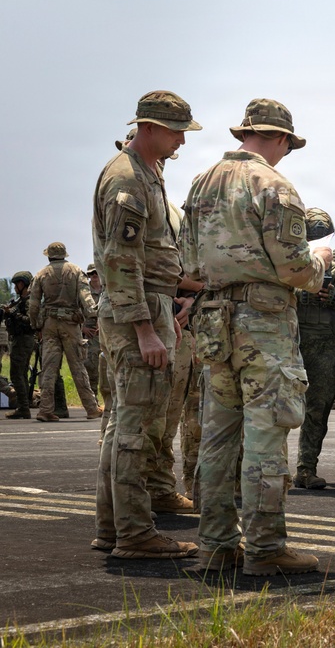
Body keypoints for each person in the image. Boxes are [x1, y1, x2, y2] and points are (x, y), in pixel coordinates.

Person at [180, 98, 335, 574]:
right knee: (268, 435)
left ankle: (216, 545)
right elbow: (294, 266)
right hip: (263, 322)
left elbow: (187, 265)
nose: (287, 152)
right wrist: (322, 264)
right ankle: (266, 549)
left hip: (213, 321)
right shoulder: (273, 185)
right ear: (279, 138)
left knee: (218, 438)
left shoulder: (201, 182)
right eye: (288, 144)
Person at [92, 90, 201, 559]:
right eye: (177, 131)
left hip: (152, 303)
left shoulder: (148, 174)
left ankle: (114, 526)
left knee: (122, 424)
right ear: (150, 128)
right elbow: (120, 260)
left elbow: (152, 253)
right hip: (135, 312)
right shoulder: (128, 180)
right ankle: (135, 534)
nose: (181, 141)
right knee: (134, 425)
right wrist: (145, 328)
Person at [293, 208, 335, 489]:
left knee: (317, 411)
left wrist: (333, 296)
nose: (318, 241)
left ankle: (305, 469)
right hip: (291, 344)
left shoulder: (334, 270)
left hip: (323, 348)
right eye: (313, 235)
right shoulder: (288, 265)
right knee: (274, 410)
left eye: (322, 236)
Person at [28, 243, 102, 422]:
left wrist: (35, 325)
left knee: (49, 369)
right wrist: (94, 314)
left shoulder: (40, 274)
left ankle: (45, 409)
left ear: (49, 256)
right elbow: (86, 298)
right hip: (70, 324)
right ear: (64, 255)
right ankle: (92, 408)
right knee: (78, 366)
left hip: (49, 325)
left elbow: (33, 304)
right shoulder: (76, 271)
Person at [4, 272, 35, 419]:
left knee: (17, 375)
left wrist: (14, 313)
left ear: (22, 284)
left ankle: (23, 407)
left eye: (16, 284)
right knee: (21, 374)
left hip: (23, 340)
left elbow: (30, 321)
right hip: (20, 340)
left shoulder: (28, 302)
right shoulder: (20, 302)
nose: (15, 287)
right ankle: (24, 406)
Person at [82, 264, 104, 400]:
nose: (94, 276)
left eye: (96, 273)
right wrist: (82, 328)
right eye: (91, 274)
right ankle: (93, 397)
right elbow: (76, 310)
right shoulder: (84, 292)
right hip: (90, 332)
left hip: (106, 329)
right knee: (91, 365)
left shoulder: (106, 289)